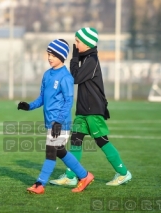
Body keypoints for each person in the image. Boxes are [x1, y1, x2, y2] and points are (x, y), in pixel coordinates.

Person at [50, 27, 132, 186]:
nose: (76, 44)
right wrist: (75, 56)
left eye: (78, 41)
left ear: (87, 43)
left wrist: (74, 58)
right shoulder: (86, 58)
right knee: (75, 140)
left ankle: (123, 173)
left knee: (101, 140)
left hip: (93, 110)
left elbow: (75, 77)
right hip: (83, 110)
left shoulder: (92, 60)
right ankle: (71, 176)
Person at [17, 39, 94, 194]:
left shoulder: (66, 77)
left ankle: (40, 184)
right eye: (48, 54)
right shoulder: (47, 75)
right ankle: (85, 176)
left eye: (52, 54)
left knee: (51, 152)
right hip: (51, 123)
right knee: (60, 151)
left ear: (61, 56)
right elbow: (42, 98)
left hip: (61, 123)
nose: (49, 57)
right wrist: (29, 106)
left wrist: (59, 122)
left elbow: (68, 102)